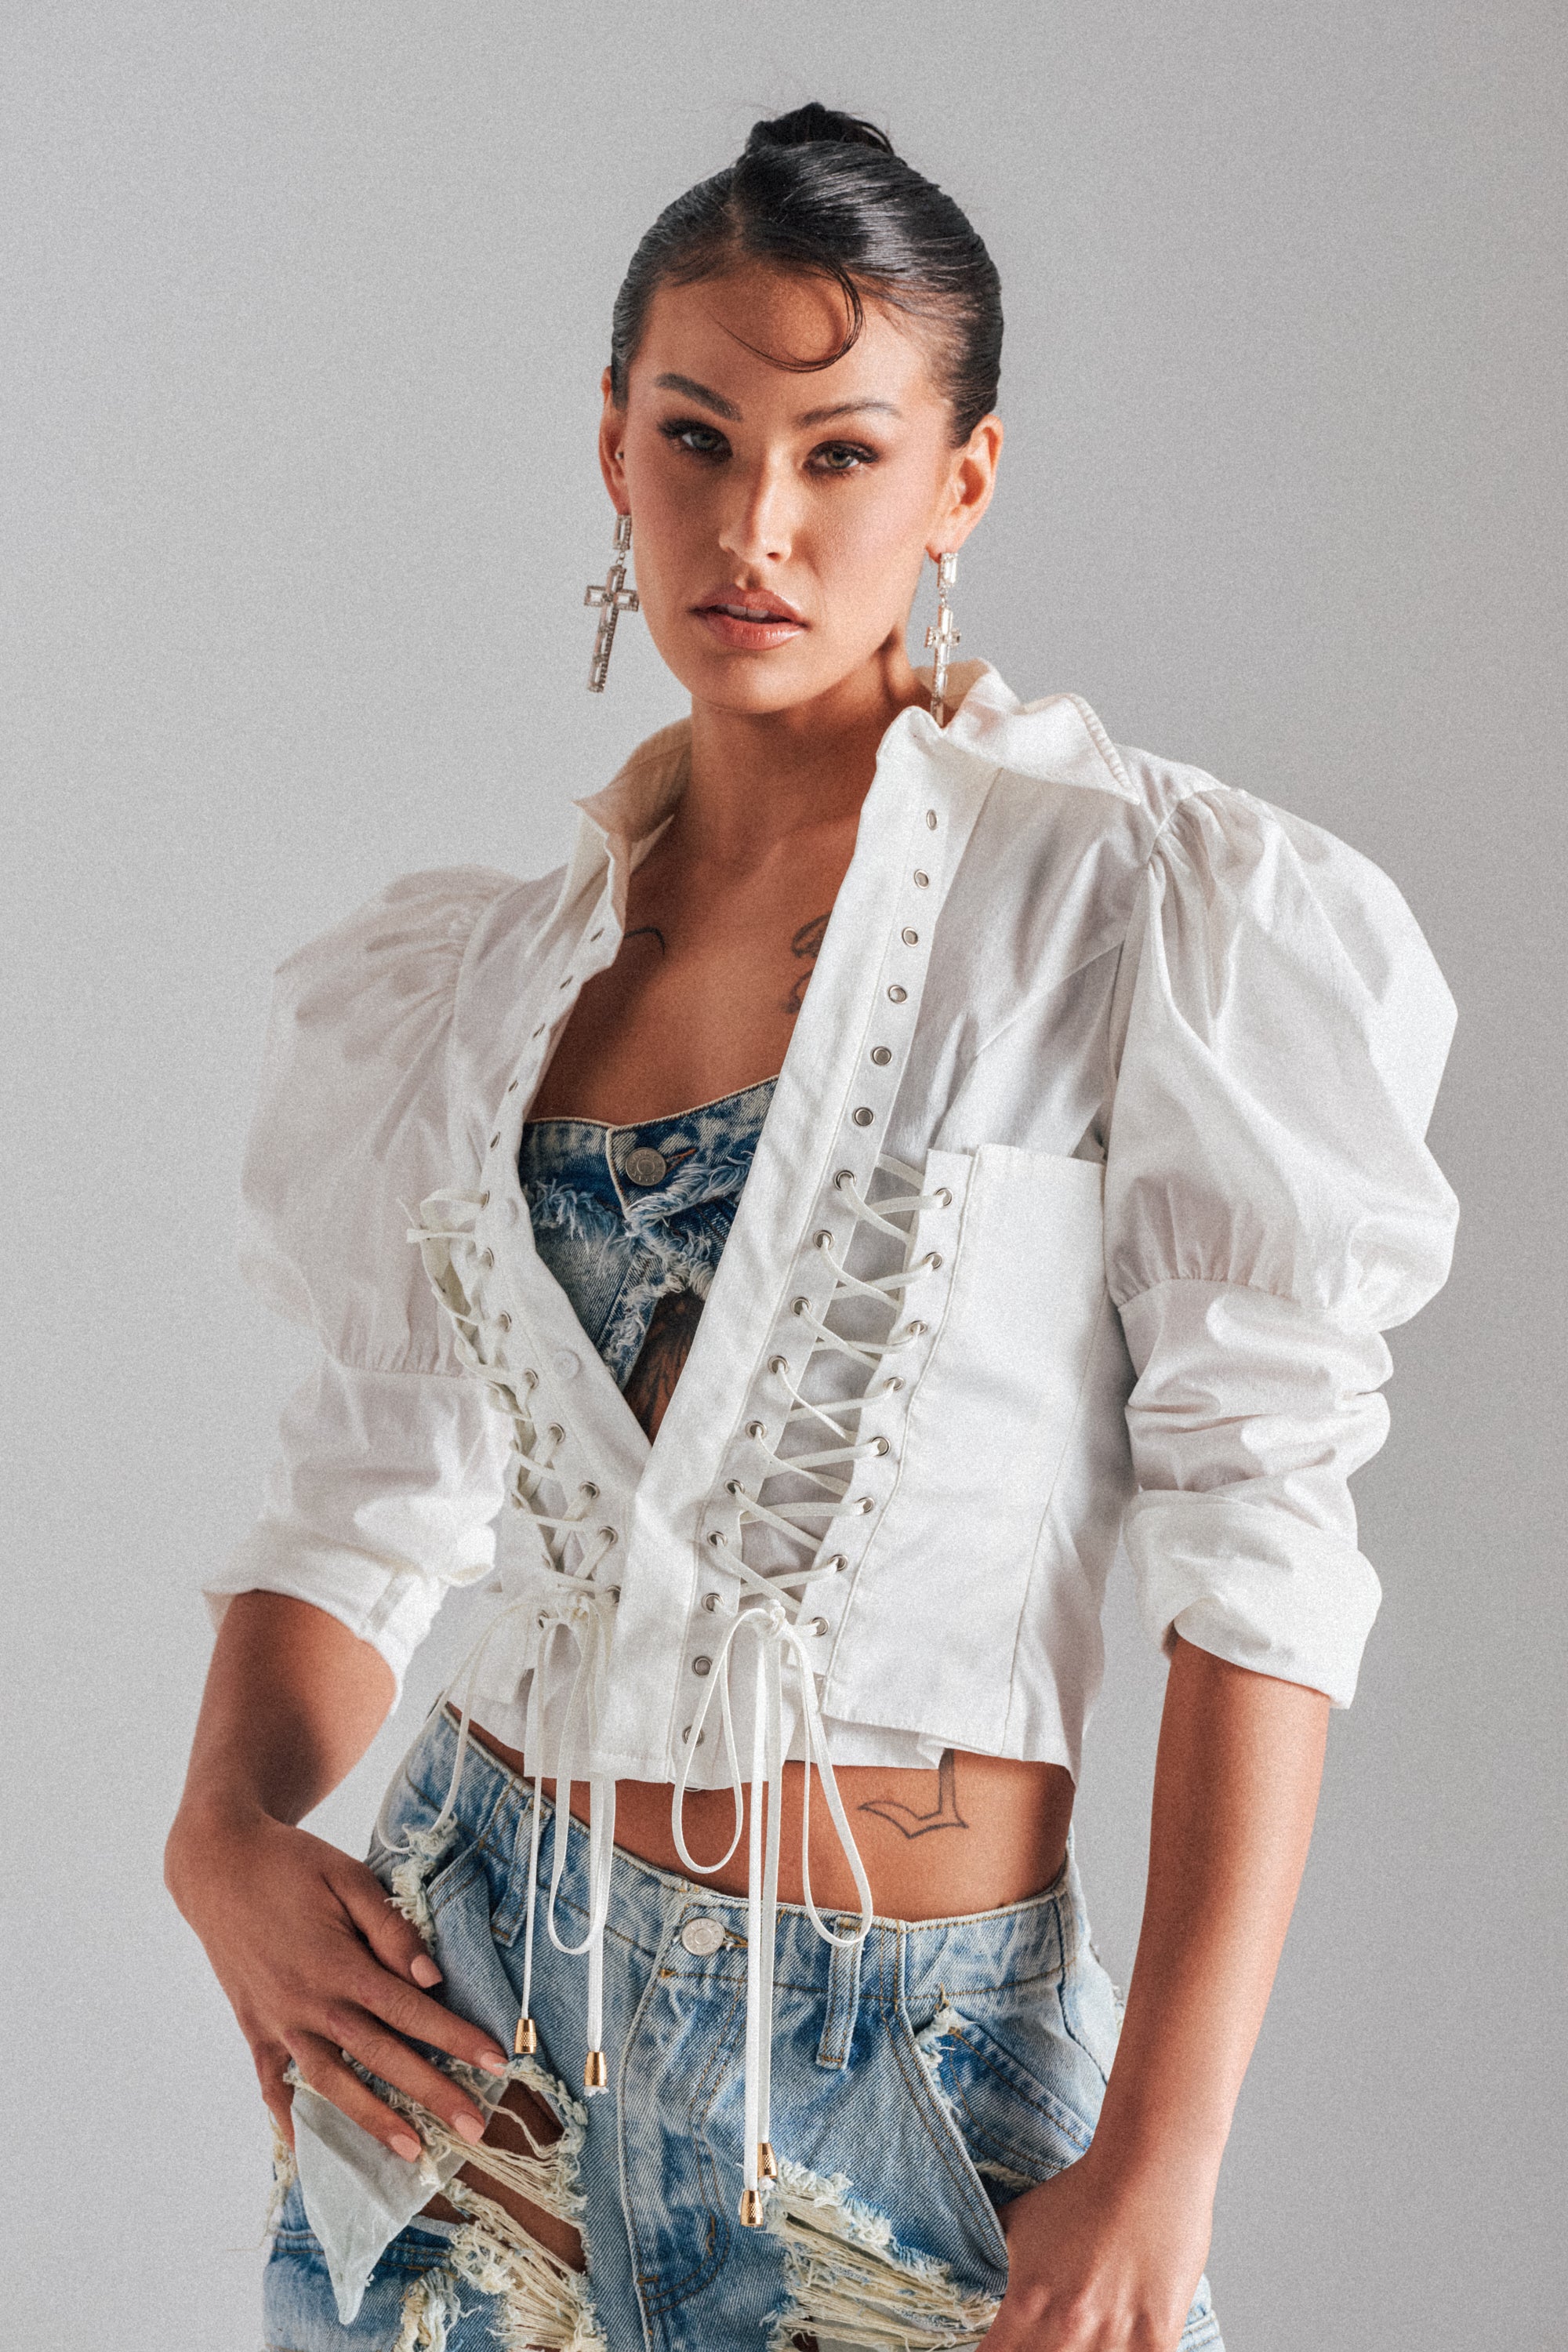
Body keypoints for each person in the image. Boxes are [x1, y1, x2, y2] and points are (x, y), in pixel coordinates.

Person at [165, 103, 1458, 2352]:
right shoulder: (470, 986)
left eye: (840, 453)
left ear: (960, 487)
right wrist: (226, 1834)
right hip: (474, 2062)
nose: (753, 524)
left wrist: (1163, 2150)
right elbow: (373, 1490)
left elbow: (1267, 1544)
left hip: (914, 2086)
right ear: (612, 446)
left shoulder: (1135, 911)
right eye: (697, 436)